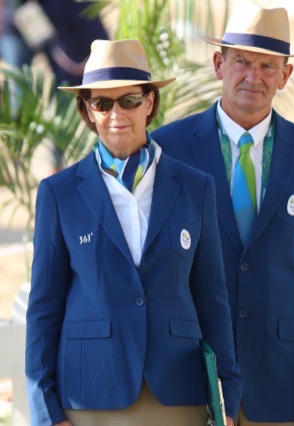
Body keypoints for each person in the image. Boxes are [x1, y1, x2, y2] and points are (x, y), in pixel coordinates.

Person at [151, 2, 294, 425]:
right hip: (190, 376)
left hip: (282, 382)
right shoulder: (166, 148)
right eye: (242, 62)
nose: (253, 77)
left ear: (286, 75)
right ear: (219, 64)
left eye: (267, 66)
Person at [25, 39, 242, 426]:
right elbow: (43, 309)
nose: (115, 114)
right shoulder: (58, 194)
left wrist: (228, 397)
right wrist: (46, 412)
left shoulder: (196, 188)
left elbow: (212, 301)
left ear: (150, 103)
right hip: (89, 395)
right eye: (102, 103)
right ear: (87, 111)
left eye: (129, 100)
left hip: (178, 394)